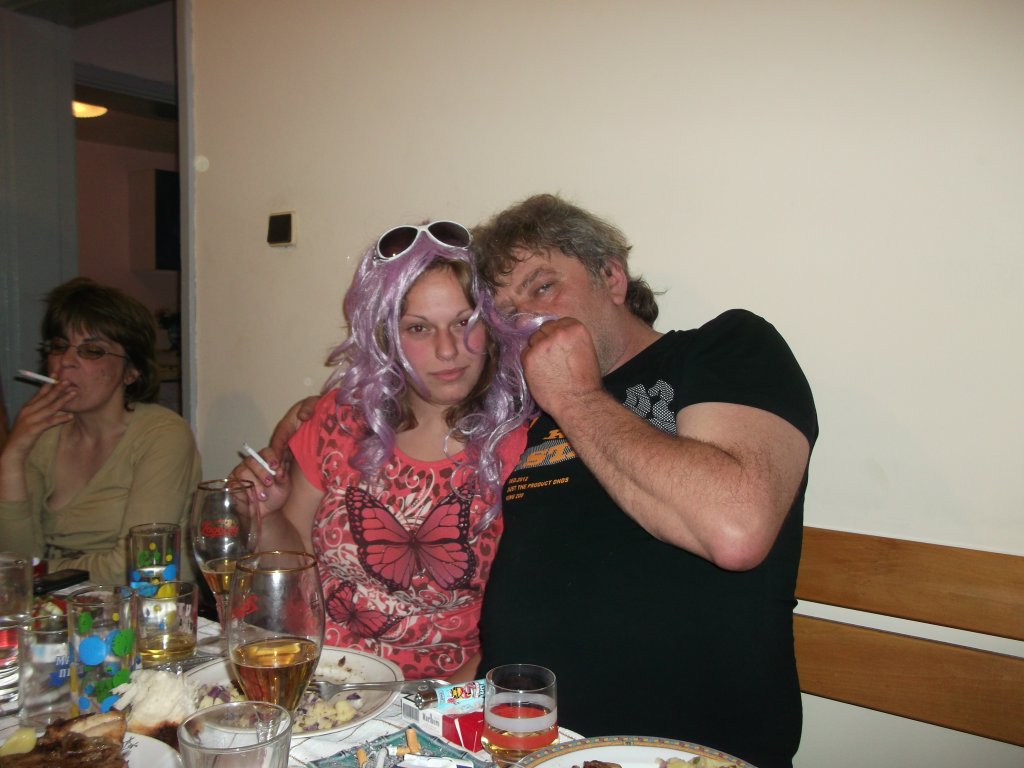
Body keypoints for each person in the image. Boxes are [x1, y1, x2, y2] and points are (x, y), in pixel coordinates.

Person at [470, 194, 817, 768]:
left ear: (611, 277)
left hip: (677, 751)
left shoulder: (725, 347)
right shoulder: (540, 418)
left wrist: (575, 397)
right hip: (520, 742)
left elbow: (736, 528)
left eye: (543, 287)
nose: (525, 321)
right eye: (507, 311)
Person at [234, 220, 533, 681]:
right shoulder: (339, 418)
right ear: (385, 338)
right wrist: (268, 515)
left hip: (443, 692)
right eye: (419, 328)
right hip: (323, 675)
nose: (448, 349)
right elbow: (292, 570)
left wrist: (434, 709)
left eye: (464, 322)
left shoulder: (522, 445)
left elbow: (519, 624)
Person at [0, 278, 201, 585]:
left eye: (92, 350)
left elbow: (137, 566)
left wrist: (37, 573)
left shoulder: (162, 435)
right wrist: (12, 457)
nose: (66, 361)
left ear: (131, 371)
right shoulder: (44, 433)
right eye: (59, 346)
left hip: (145, 607)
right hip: (54, 605)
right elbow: (15, 558)